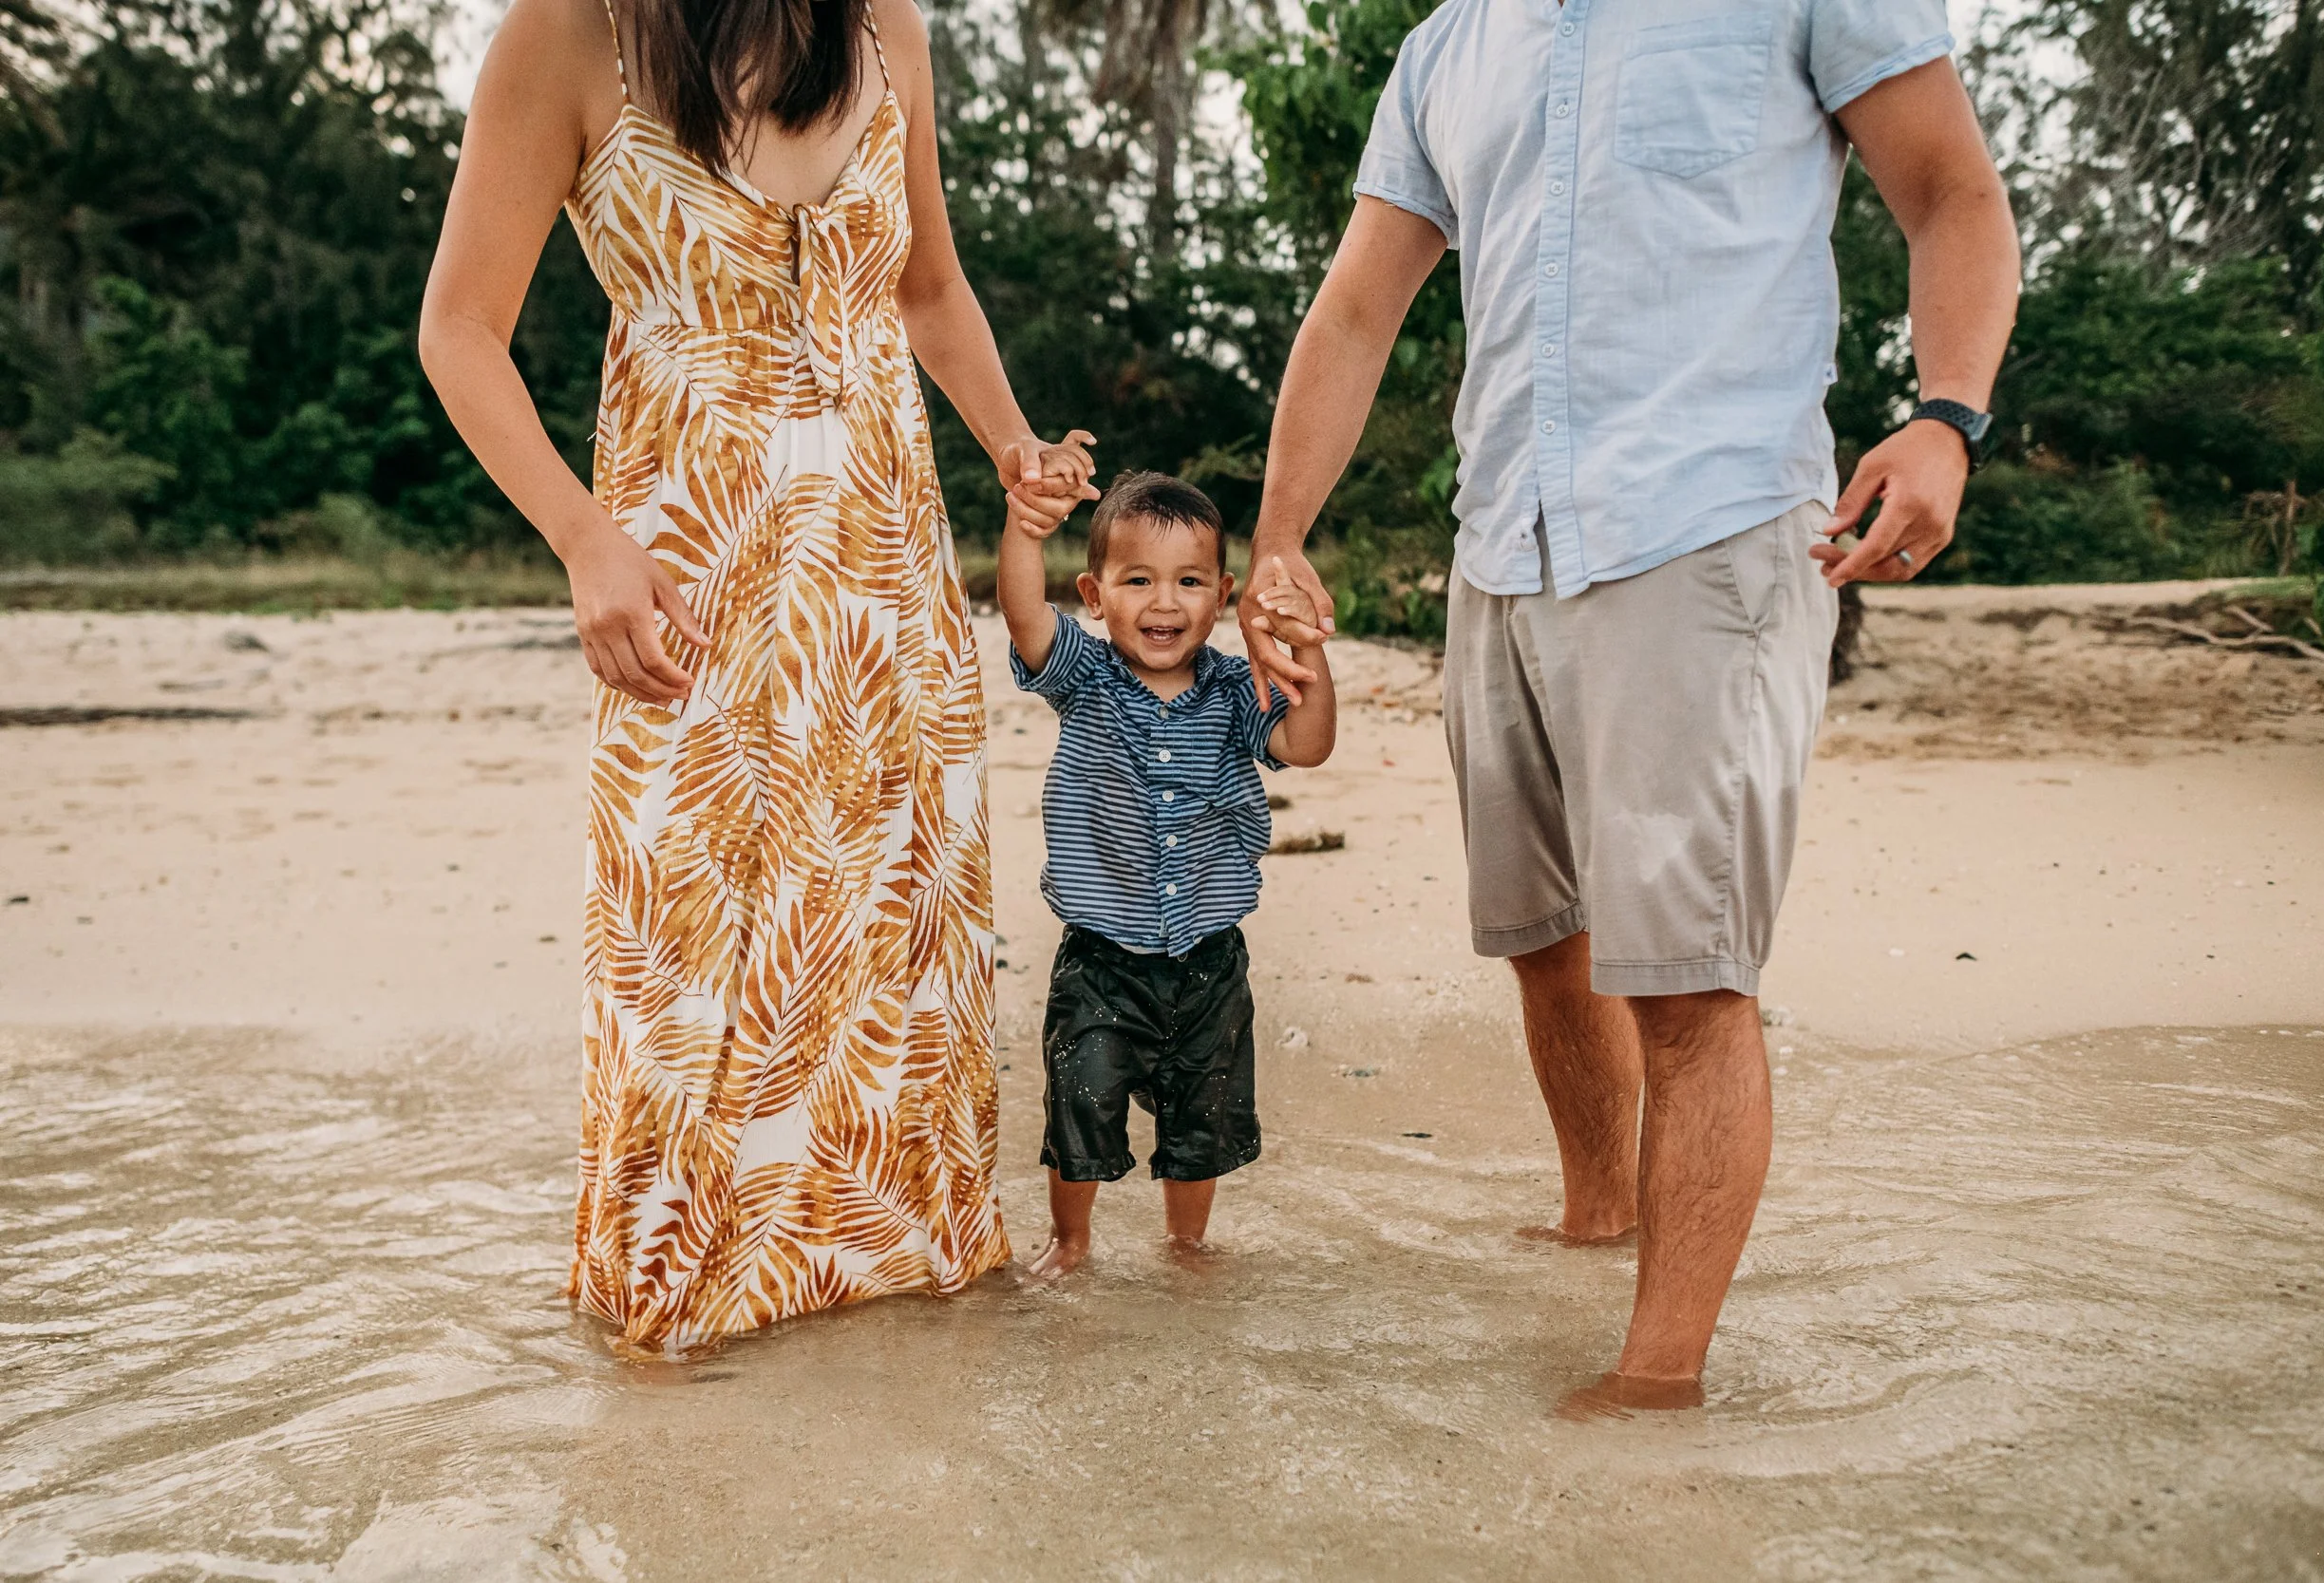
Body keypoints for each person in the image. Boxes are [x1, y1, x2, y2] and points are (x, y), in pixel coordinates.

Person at [1238, 1, 2020, 1407]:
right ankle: (1599, 1213)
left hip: (1708, 527)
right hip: (1503, 545)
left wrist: (1947, 415)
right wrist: (1280, 533)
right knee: (1544, 939)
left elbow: (1951, 189)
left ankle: (1660, 1378)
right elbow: (1360, 304)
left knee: (1690, 982)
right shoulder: (1447, 46)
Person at [417, 0, 1093, 1350]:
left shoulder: (884, 24)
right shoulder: (568, 37)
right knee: (694, 954)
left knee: (890, 938)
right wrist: (583, 539)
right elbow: (458, 330)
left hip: (886, 577)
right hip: (685, 583)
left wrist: (1015, 445)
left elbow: (925, 288)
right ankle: (678, 1321)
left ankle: (895, 1309)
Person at [998, 472, 1336, 1277]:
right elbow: (1023, 613)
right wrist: (1023, 531)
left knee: (1203, 1117)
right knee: (1081, 1098)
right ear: (1095, 591)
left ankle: (1187, 1243)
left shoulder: (1234, 687)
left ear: (1222, 596)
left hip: (1209, 957)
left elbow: (1308, 745)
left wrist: (1308, 648)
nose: (1165, 603)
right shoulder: (1086, 675)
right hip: (1102, 957)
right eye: (1138, 579)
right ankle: (1070, 1240)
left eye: (1189, 582)